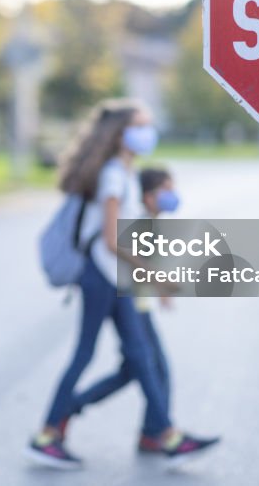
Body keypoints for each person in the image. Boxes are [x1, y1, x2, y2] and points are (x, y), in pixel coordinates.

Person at [25, 100, 218, 470]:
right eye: (140, 126)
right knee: (88, 354)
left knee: (141, 358)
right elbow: (113, 240)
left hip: (114, 278)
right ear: (121, 134)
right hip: (102, 277)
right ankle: (48, 434)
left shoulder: (122, 174)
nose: (148, 132)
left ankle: (166, 434)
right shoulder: (113, 175)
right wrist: (156, 275)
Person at [61, 167, 181, 454]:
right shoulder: (139, 220)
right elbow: (128, 263)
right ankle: (157, 433)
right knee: (156, 368)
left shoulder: (150, 220)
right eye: (167, 189)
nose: (173, 196)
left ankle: (72, 408)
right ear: (149, 195)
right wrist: (157, 283)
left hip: (137, 304)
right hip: (130, 305)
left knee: (132, 371)